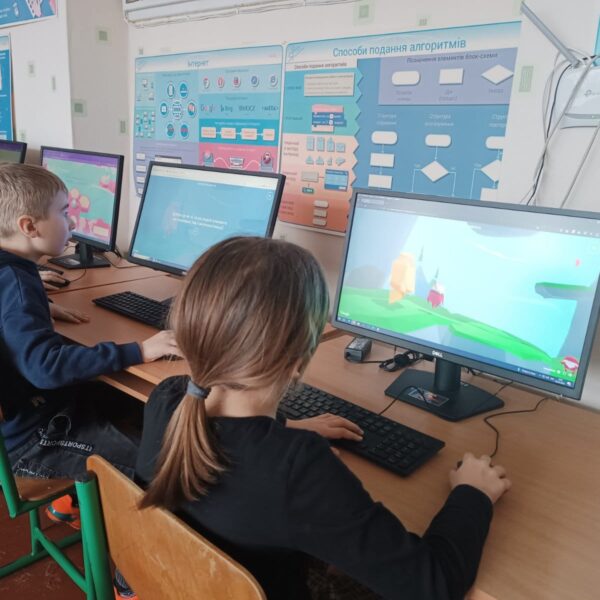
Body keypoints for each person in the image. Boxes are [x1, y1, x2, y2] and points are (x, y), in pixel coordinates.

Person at [134, 236, 511, 600]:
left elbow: (239, 452)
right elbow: (435, 586)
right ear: (298, 363)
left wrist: (285, 428)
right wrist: (472, 494)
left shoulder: (167, 400)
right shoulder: (297, 470)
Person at [0, 163, 179, 528]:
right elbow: (46, 367)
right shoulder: (16, 286)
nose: (72, 223)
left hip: (33, 413)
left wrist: (41, 307)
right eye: (64, 213)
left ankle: (75, 501)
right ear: (29, 227)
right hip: (31, 440)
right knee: (160, 472)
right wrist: (140, 351)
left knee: (140, 405)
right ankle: (119, 560)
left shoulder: (12, 275)